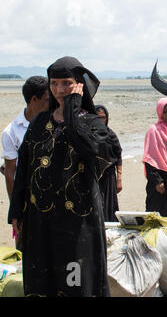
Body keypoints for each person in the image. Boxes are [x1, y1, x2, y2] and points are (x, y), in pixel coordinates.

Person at [8, 56, 111, 296]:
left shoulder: (92, 122)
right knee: (42, 278)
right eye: (54, 84)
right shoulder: (39, 122)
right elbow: (24, 166)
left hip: (77, 222)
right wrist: (16, 210)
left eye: (66, 83)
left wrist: (73, 106)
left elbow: (88, 147)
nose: (59, 90)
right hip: (40, 219)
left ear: (79, 85)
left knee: (75, 280)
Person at [1, 76, 49, 251]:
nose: (51, 104)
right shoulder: (12, 132)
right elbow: (10, 173)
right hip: (28, 198)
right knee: (27, 250)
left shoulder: (52, 123)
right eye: (47, 100)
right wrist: (17, 210)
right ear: (34, 100)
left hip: (50, 196)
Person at [143, 97, 167, 220]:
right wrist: (157, 181)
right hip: (159, 180)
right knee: (156, 216)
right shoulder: (153, 130)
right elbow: (149, 159)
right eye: (165, 112)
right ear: (159, 112)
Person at [95, 105, 123, 222]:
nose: (101, 120)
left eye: (103, 117)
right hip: (94, 175)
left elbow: (118, 156)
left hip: (109, 176)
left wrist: (119, 180)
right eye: (98, 118)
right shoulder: (89, 134)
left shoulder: (111, 135)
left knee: (109, 205)